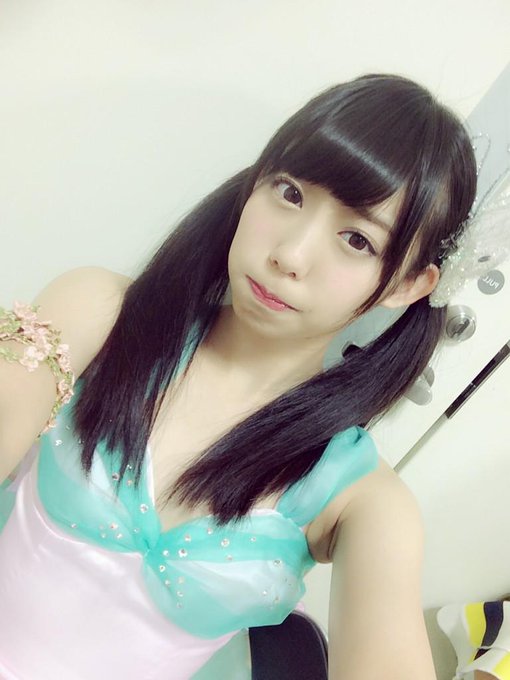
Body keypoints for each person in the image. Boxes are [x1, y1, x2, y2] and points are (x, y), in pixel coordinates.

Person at [0, 72, 477, 680]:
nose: (290, 255)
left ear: (409, 285)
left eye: (357, 240)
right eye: (290, 193)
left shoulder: (362, 500)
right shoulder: (98, 313)